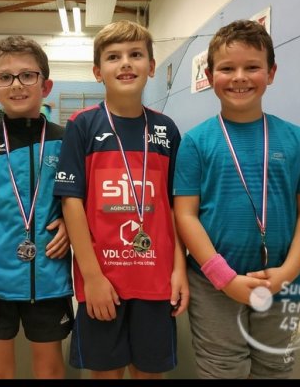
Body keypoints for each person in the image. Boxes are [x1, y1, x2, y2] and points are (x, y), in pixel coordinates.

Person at [173, 19, 300, 379]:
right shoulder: (195, 142)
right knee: (222, 369)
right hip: (214, 286)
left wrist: (287, 273)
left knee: (274, 367)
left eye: (252, 67)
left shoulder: (295, 138)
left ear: (271, 73)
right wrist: (224, 278)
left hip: (282, 282)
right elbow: (186, 215)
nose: (239, 77)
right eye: (227, 68)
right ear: (209, 76)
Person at [54, 20, 189, 380]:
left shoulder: (166, 130)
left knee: (150, 373)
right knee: (105, 373)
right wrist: (92, 277)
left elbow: (174, 207)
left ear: (152, 66)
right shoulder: (82, 125)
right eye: (113, 57)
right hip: (103, 280)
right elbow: (71, 203)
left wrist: (179, 269)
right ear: (98, 72)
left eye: (135, 55)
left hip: (156, 280)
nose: (126, 63)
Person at [0, 35, 73, 379]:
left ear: (45, 85)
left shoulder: (65, 140)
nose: (17, 84)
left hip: (50, 280)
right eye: (5, 77)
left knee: (50, 370)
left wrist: (70, 223)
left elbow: (80, 202)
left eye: (27, 75)